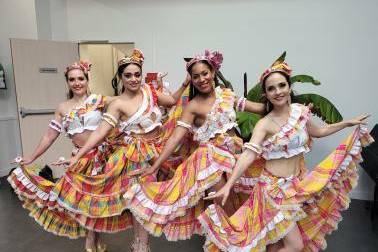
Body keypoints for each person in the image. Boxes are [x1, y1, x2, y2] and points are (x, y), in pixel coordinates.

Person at [200, 58, 373, 252]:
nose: (278, 91)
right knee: (295, 245)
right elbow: (248, 155)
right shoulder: (264, 124)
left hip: (294, 186)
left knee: (276, 242)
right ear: (265, 94)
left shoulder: (300, 112)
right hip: (273, 191)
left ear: (289, 87)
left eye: (282, 85)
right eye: (272, 88)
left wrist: (346, 123)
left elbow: (319, 131)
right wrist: (228, 185)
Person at [124, 49, 266, 242]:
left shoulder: (227, 95)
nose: (201, 79)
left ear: (213, 73)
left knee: (239, 202)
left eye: (205, 74)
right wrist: (154, 167)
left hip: (234, 156)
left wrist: (287, 105)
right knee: (224, 205)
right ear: (191, 79)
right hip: (211, 161)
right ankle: (233, 243)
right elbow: (175, 138)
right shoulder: (193, 106)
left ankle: (230, 242)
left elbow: (259, 109)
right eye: (196, 76)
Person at [68, 48, 190, 252]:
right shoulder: (117, 104)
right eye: (128, 75)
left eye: (137, 74)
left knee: (151, 203)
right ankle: (141, 246)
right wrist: (78, 156)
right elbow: (99, 133)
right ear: (121, 77)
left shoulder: (149, 91)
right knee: (140, 203)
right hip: (136, 157)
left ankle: (140, 245)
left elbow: (172, 100)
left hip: (158, 152)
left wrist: (186, 82)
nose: (133, 79)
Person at [8, 60, 116, 251]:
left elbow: (126, 105)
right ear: (67, 82)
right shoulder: (63, 108)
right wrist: (32, 157)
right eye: (72, 79)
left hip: (101, 159)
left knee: (94, 203)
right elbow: (50, 135)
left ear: (87, 79)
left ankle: (91, 241)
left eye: (81, 78)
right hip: (78, 161)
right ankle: (94, 240)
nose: (77, 83)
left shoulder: (100, 100)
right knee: (86, 203)